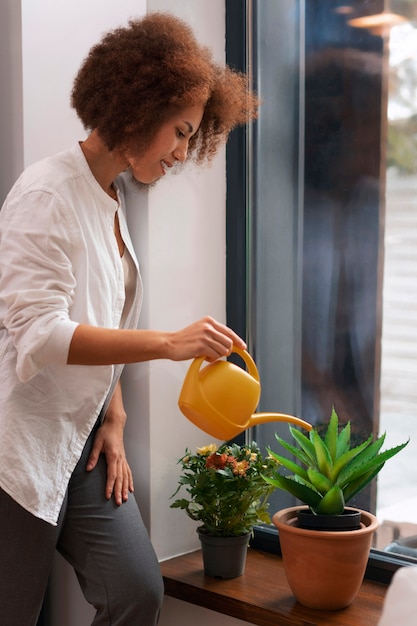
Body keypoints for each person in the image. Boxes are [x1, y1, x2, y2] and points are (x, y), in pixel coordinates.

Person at [0, 12, 259, 625]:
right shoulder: (47, 195)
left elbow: (98, 320)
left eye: (192, 137)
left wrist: (113, 419)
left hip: (84, 444)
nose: (181, 152)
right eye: (179, 131)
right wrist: (171, 343)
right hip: (19, 450)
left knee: (137, 590)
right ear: (137, 107)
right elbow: (39, 334)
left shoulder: (112, 199)